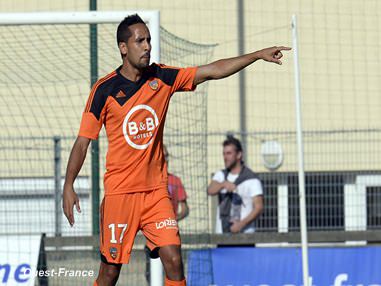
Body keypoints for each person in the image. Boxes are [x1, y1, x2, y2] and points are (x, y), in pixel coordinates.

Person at [62, 13, 290, 286]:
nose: (147, 46)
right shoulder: (104, 90)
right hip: (120, 195)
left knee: (173, 259)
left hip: (156, 194)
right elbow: (83, 141)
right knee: (110, 273)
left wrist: (256, 55)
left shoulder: (163, 77)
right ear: (124, 47)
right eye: (140, 41)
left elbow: (211, 71)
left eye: (148, 40)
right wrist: (69, 184)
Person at [145, 144, 189, 283]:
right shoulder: (147, 181)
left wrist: (172, 219)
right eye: (162, 155)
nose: (165, 159)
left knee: (174, 270)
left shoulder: (175, 181)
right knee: (152, 275)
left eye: (167, 155)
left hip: (169, 234)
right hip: (151, 238)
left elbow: (185, 208)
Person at [207, 136, 264, 234]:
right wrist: (223, 184)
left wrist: (241, 224)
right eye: (224, 154)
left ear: (239, 155)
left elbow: (259, 207)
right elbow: (210, 190)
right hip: (222, 235)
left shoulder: (251, 179)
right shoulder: (221, 175)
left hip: (245, 235)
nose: (225, 157)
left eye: (229, 153)